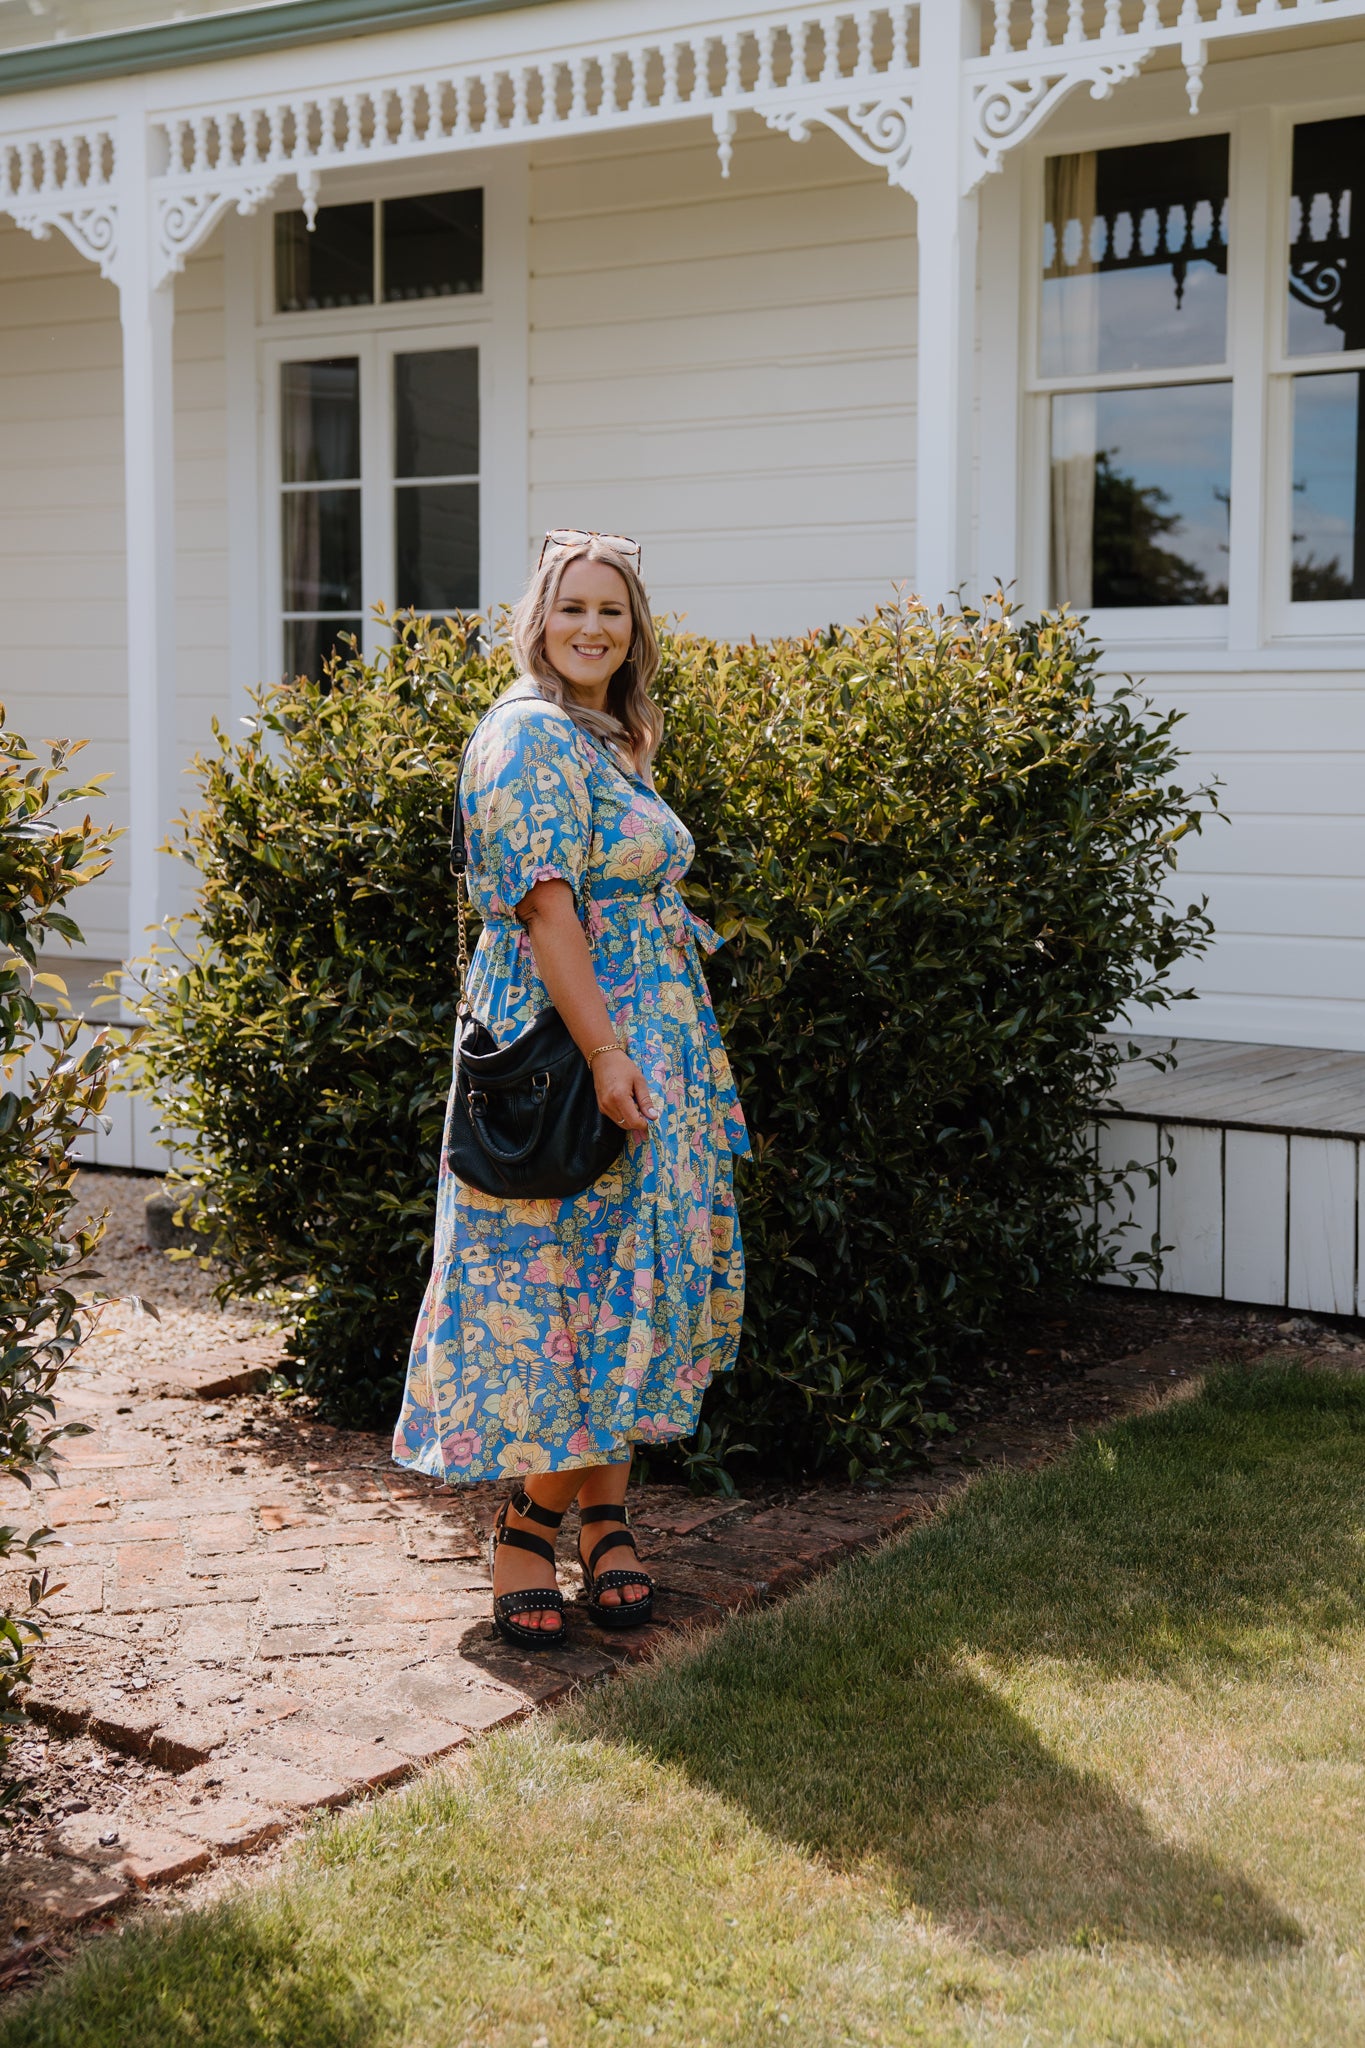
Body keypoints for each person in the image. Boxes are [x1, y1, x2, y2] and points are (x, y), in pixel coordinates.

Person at [392, 529, 748, 1647]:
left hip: (649, 1040)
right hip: (573, 1046)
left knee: (626, 1281)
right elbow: (547, 907)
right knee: (564, 1282)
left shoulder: (611, 736)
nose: (592, 627)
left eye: (613, 610)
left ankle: (605, 1519)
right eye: (572, 607)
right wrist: (604, 1053)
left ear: (636, 630)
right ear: (537, 620)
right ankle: (526, 1529)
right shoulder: (527, 733)